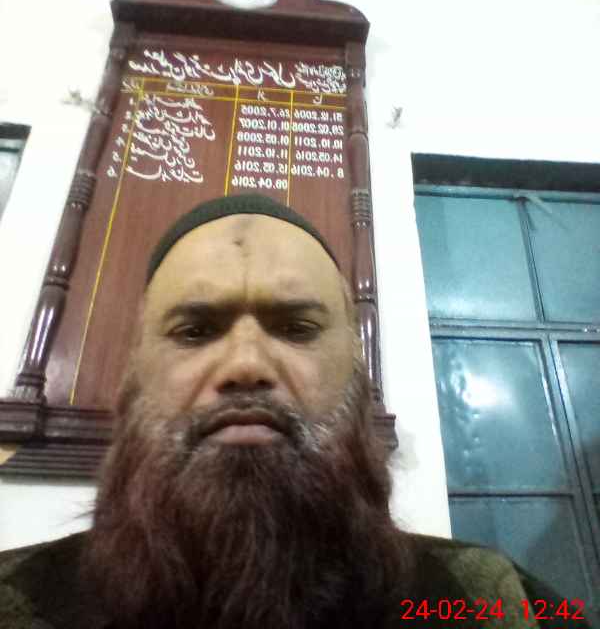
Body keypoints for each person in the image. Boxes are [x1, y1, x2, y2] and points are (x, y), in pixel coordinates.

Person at [0, 194, 593, 629]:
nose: (246, 364)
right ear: (134, 377)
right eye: (195, 330)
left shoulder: (494, 603)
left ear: (358, 375)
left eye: (297, 327)